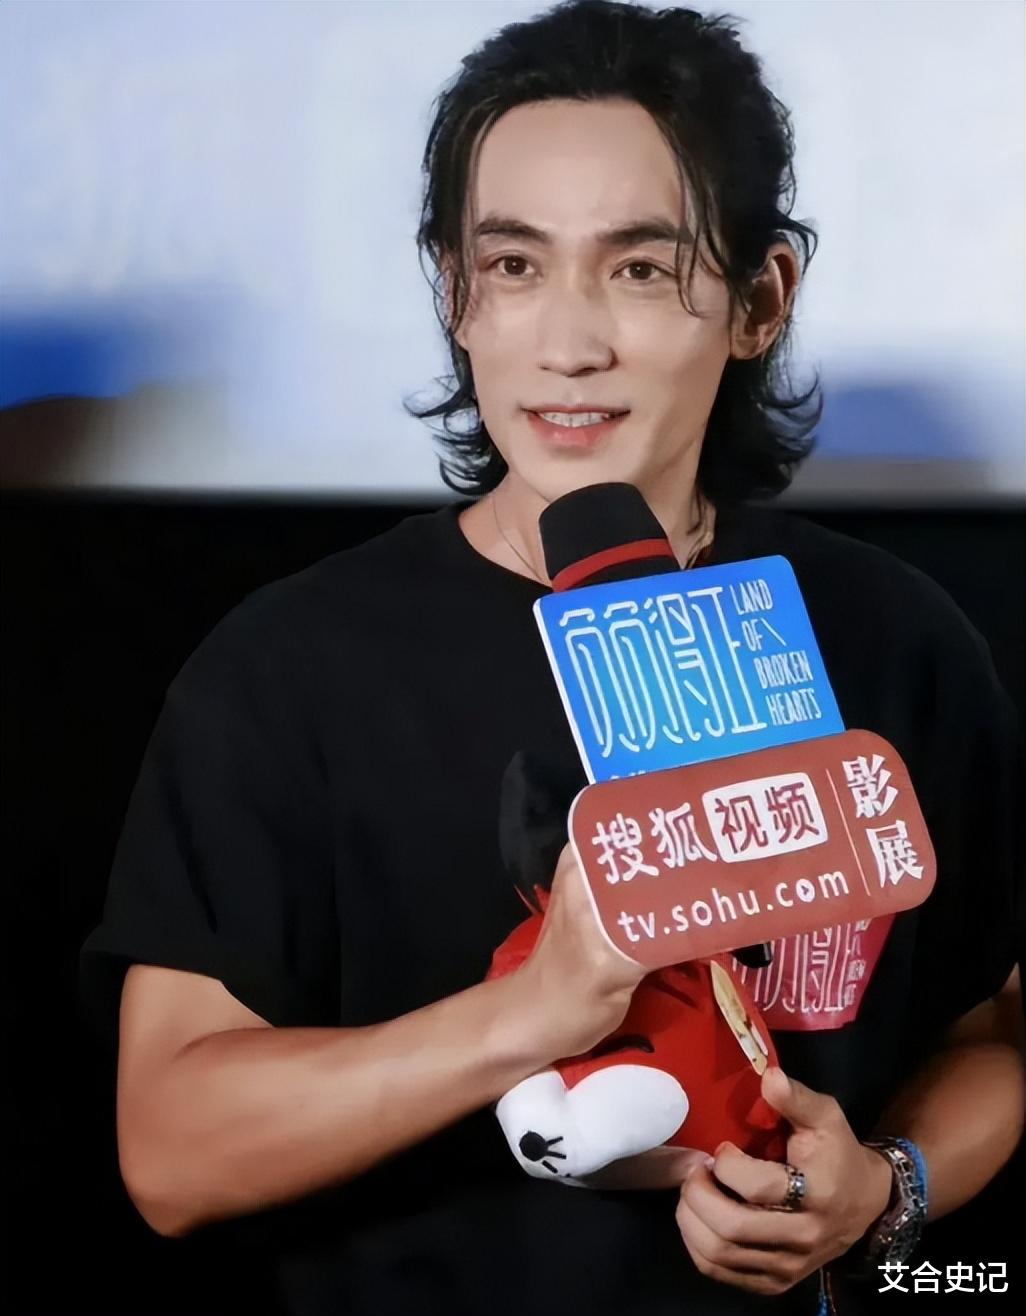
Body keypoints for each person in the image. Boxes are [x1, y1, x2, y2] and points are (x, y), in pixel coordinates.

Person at [79, 3, 1023, 1314]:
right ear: (454, 294)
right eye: (515, 265)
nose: (568, 346)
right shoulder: (290, 667)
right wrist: (529, 1016)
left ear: (760, 300)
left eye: (638, 270)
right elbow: (171, 1149)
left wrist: (885, 1189)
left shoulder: (893, 637)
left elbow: (989, 1037)